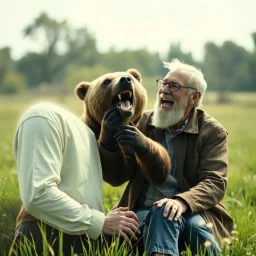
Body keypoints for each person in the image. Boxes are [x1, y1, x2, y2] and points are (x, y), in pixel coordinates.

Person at [105, 59, 234, 255]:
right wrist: (108, 139)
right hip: (143, 211)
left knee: (192, 226)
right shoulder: (142, 122)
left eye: (174, 86)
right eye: (163, 84)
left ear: (193, 97)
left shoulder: (212, 132)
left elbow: (215, 182)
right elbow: (119, 175)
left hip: (193, 211)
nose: (164, 90)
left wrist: (181, 202)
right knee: (162, 213)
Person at [11, 102, 140, 255]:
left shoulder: (88, 134)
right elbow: (38, 194)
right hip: (43, 232)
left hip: (82, 239)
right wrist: (100, 222)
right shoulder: (41, 116)